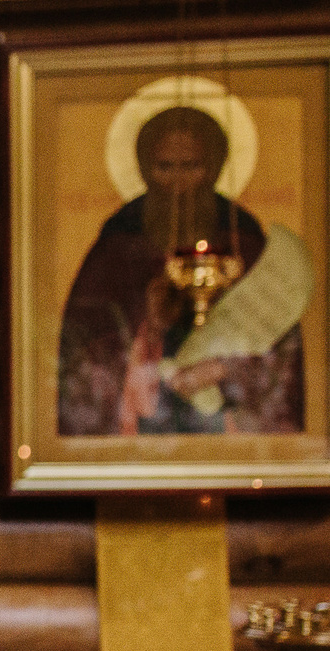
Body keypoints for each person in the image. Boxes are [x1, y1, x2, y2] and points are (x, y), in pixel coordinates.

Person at [56, 104, 301, 435]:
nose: (178, 182)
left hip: (226, 411)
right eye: (165, 167)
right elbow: (84, 336)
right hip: (143, 407)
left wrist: (226, 367)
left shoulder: (239, 234)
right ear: (145, 169)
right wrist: (145, 327)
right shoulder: (121, 237)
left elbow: (278, 336)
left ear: (213, 168)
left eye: (191, 166)